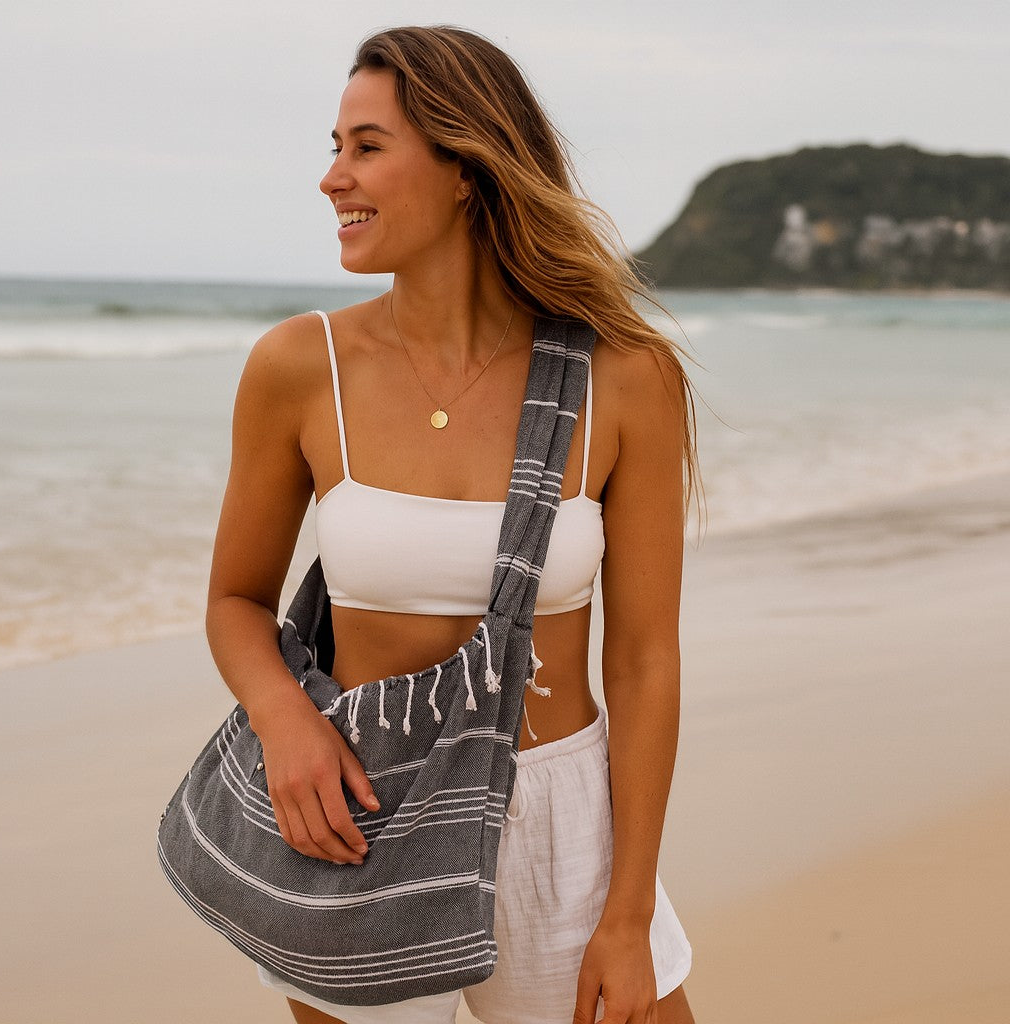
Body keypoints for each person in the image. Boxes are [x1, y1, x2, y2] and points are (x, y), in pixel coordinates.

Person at [205, 25, 699, 1024]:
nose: (331, 178)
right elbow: (234, 600)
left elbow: (644, 659)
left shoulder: (625, 377)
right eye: (333, 146)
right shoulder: (300, 368)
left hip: (562, 824)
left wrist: (628, 908)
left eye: (367, 146)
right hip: (358, 821)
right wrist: (285, 717)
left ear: (467, 165)